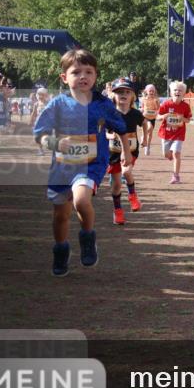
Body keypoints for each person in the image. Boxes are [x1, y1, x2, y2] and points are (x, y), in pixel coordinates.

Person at [32, 49, 131, 277]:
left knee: (81, 199)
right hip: (62, 166)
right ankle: (61, 249)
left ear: (96, 76)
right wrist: (55, 143)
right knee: (60, 215)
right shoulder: (57, 104)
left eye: (89, 72)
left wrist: (125, 152)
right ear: (64, 77)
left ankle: (87, 237)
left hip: (91, 164)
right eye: (76, 72)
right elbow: (40, 134)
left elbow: (122, 129)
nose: (83, 76)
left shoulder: (102, 104)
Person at [106, 78, 145, 225]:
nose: (123, 94)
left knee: (126, 172)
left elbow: (146, 123)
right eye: (120, 92)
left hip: (131, 150)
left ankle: (133, 196)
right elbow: (103, 131)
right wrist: (109, 135)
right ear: (113, 95)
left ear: (132, 96)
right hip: (113, 152)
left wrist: (146, 138)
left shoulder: (135, 114)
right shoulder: (110, 114)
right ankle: (118, 211)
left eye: (127, 92)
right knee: (116, 185)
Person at [156, 81, 192, 184]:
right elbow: (158, 117)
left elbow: (188, 120)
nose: (177, 92)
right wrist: (163, 116)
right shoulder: (166, 104)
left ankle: (176, 176)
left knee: (176, 153)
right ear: (171, 92)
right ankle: (169, 155)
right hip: (166, 134)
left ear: (184, 93)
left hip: (178, 134)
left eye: (180, 90)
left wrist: (182, 118)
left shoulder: (185, 106)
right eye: (175, 90)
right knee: (166, 154)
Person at [139, 84, 160, 155]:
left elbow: (158, 108)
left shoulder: (156, 99)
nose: (151, 92)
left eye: (153, 91)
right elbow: (141, 107)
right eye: (150, 91)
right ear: (147, 91)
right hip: (145, 117)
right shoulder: (143, 99)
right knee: (149, 127)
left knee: (150, 133)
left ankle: (147, 146)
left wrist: (156, 103)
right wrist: (141, 109)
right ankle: (143, 137)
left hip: (152, 117)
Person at [30, 88, 51, 155]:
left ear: (45, 95)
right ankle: (40, 150)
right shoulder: (36, 104)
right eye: (38, 95)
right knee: (37, 137)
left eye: (41, 95)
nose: (39, 96)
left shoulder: (49, 103)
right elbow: (34, 113)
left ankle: (48, 145)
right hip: (38, 123)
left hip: (47, 123)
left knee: (45, 137)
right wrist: (31, 120)